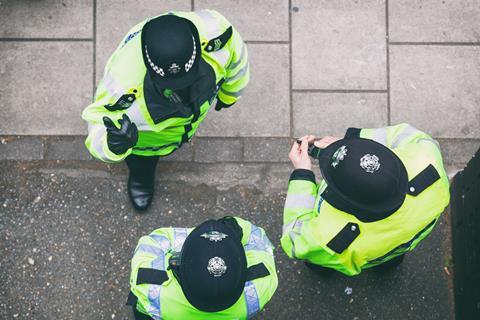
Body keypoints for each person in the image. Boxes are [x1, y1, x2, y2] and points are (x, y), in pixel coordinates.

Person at [82, 10, 249, 211]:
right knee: (142, 162)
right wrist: (113, 145)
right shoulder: (121, 85)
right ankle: (141, 178)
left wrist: (230, 93)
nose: (180, 89)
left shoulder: (216, 32)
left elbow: (237, 59)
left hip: (181, 127)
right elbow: (96, 124)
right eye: (171, 83)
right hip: (146, 144)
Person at [280, 123, 450, 276]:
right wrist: (353, 141)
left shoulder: (331, 237)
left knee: (319, 262)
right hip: (401, 240)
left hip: (343, 252)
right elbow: (407, 135)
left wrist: (302, 173)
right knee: (390, 257)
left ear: (348, 200)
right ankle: (386, 269)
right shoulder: (428, 159)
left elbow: (295, 240)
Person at [127, 216, 278, 319]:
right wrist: (233, 227)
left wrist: (192, 239)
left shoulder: (152, 289)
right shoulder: (260, 287)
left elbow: (153, 243)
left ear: (179, 266)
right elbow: (258, 240)